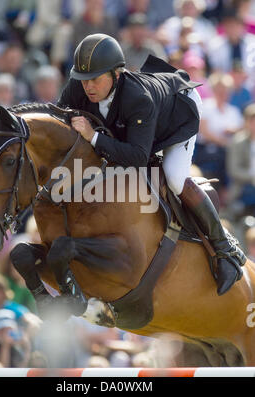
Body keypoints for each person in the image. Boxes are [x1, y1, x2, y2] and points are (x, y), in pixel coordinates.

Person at [15, 34, 246, 318]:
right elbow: (63, 129)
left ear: (117, 73)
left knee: (173, 177)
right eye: (84, 79)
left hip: (177, 111)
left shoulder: (138, 98)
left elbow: (137, 157)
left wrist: (94, 138)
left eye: (96, 79)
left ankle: (225, 249)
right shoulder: (79, 86)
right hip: (133, 129)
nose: (88, 86)